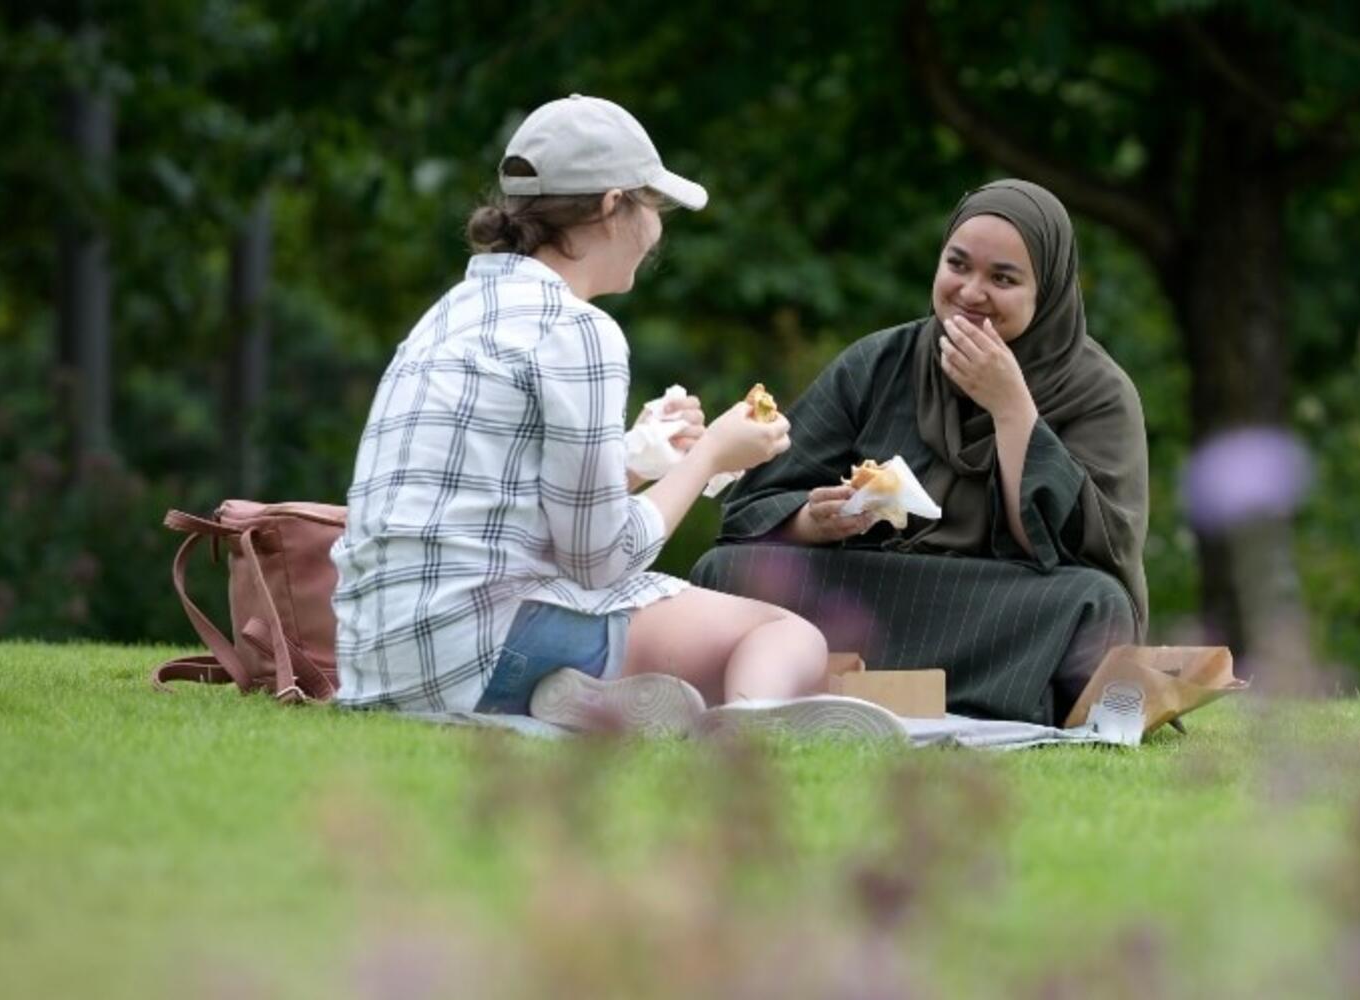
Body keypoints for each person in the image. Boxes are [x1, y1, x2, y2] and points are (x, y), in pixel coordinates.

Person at [329, 94, 900, 739]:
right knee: (784, 634)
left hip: (376, 661)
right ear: (611, 205)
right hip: (481, 652)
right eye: (651, 206)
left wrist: (640, 456)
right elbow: (600, 560)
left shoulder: (447, 314)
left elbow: (508, 513)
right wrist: (713, 454)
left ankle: (590, 698)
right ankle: (745, 723)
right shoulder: (578, 329)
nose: (657, 230)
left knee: (670, 650)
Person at [690, 179, 1149, 726]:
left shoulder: (1096, 391)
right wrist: (815, 520)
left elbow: (1080, 551)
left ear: (1045, 293)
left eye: (1002, 278)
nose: (971, 291)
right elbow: (752, 507)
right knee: (726, 570)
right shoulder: (881, 362)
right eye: (958, 265)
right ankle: (783, 685)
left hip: (1000, 606)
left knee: (1095, 605)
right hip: (874, 589)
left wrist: (1011, 409)